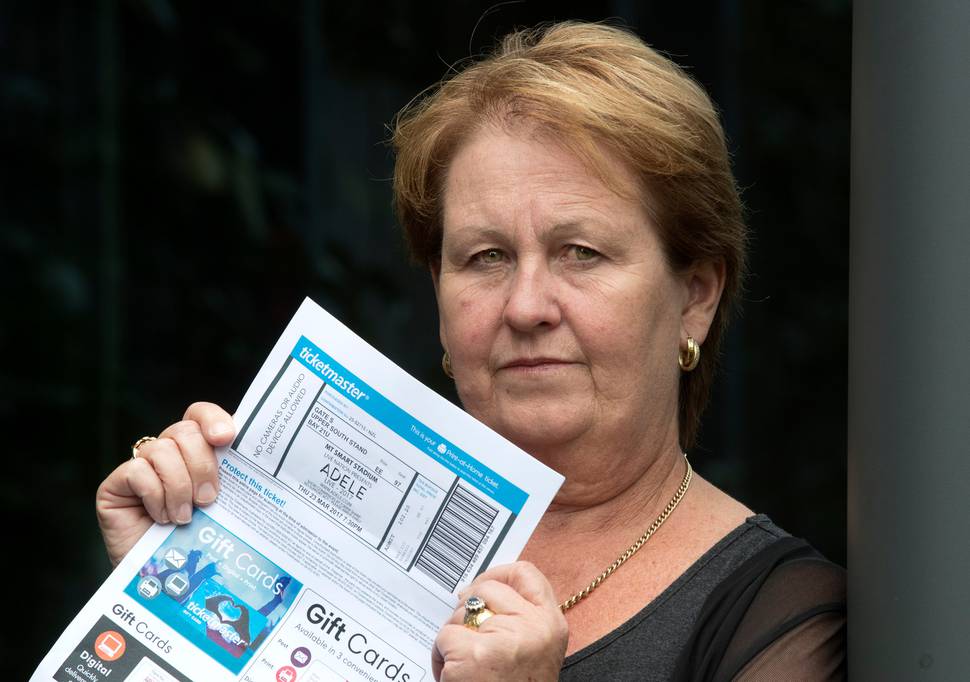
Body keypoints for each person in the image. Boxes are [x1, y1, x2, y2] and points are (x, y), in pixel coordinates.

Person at [97, 21, 845, 680]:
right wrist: (157, 607)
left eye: (581, 252)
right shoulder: (310, 537)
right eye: (486, 257)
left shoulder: (782, 618)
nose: (525, 306)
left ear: (695, 297)